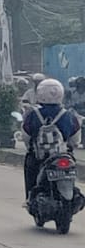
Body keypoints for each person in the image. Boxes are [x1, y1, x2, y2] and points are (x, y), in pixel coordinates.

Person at [21, 77, 82, 205]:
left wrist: (32, 147)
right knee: (71, 169)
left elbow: (26, 136)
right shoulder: (68, 115)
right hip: (62, 155)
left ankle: (30, 199)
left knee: (30, 166)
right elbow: (75, 139)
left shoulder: (33, 114)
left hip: (39, 157)